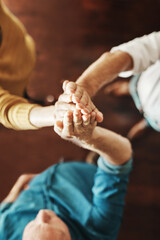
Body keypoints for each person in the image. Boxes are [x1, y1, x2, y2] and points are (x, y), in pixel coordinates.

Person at [0, 83, 132, 240]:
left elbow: (3, 213)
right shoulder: (98, 229)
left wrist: (15, 191)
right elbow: (120, 160)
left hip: (43, 177)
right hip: (83, 177)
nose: (41, 214)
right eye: (51, 224)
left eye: (33, 224)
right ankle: (95, 159)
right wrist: (87, 137)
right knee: (105, 159)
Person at [66, 32, 160, 139]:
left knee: (153, 119)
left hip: (156, 121)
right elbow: (138, 50)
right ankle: (128, 88)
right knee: (137, 86)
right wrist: (87, 85)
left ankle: (147, 122)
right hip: (144, 85)